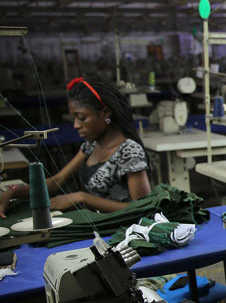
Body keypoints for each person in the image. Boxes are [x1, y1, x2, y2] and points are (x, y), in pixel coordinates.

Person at [0, 77, 151, 217]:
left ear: (105, 113)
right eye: (74, 118)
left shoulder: (129, 151)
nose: (76, 125)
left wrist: (82, 197)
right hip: (98, 226)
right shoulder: (91, 145)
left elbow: (142, 209)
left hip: (123, 233)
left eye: (82, 118)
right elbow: (57, 181)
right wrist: (14, 192)